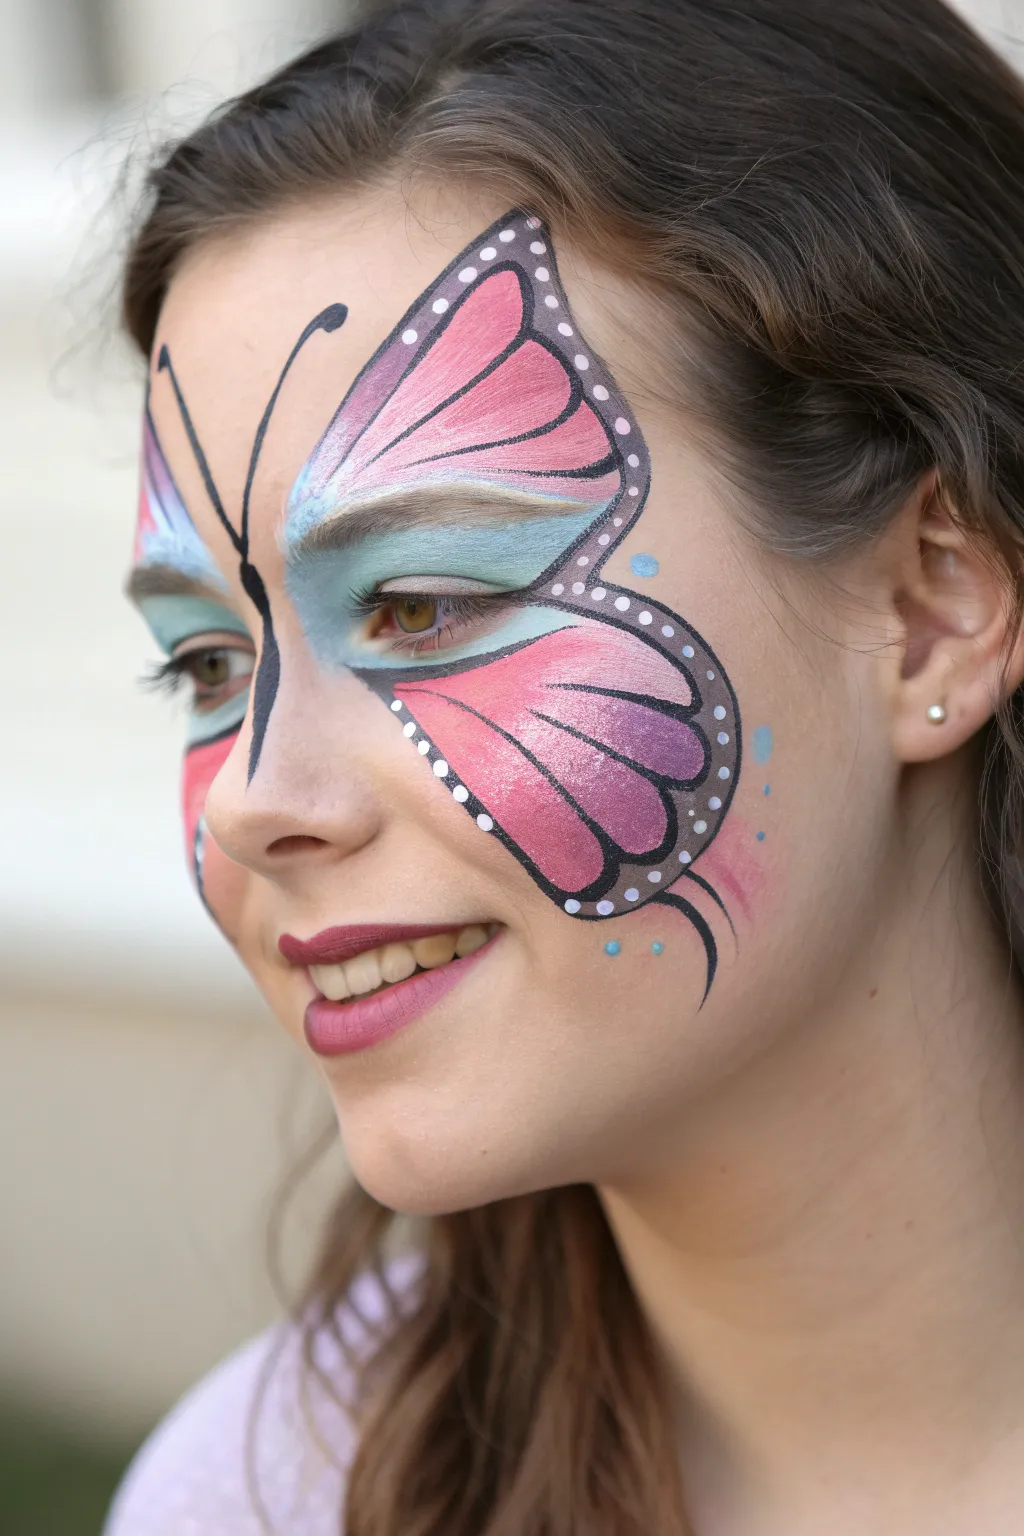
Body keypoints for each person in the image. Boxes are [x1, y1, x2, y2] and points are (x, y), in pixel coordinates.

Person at [104, 0, 1024, 1531]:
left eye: (423, 601)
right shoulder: (266, 1497)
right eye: (209, 664)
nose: (259, 799)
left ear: (932, 612)